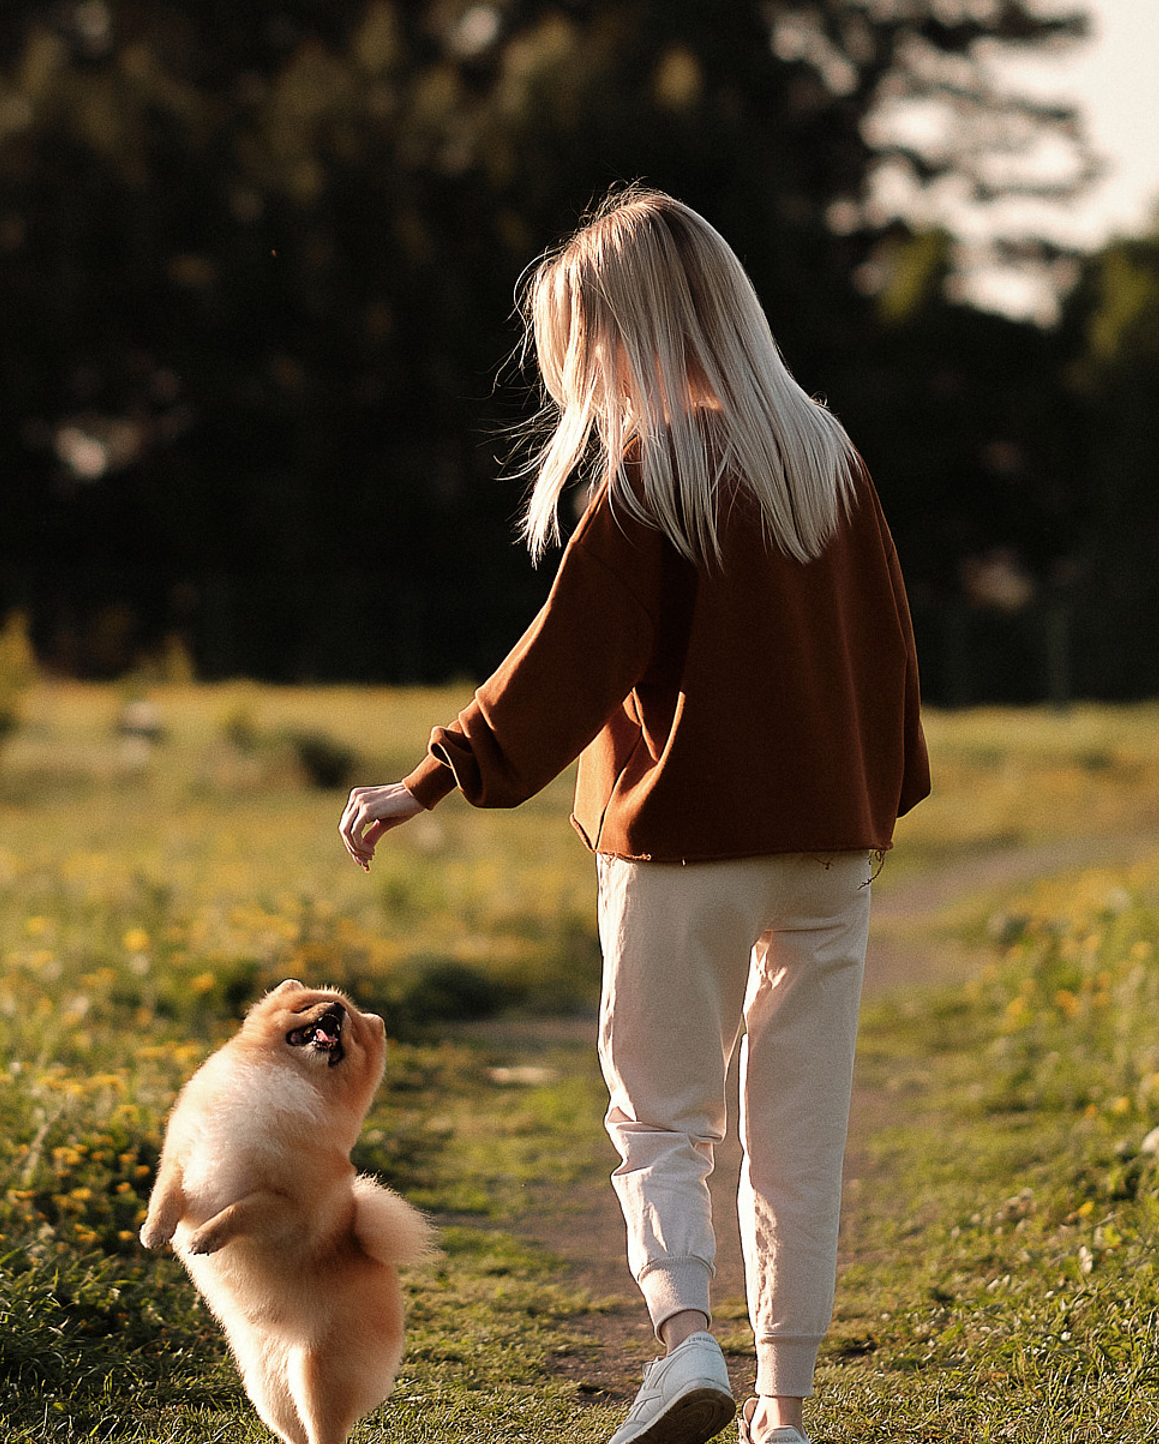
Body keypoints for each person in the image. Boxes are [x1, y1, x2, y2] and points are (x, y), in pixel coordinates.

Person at [339, 188, 927, 1444]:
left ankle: (684, 1347)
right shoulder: (829, 456)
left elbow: (567, 658)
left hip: (684, 848)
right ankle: (787, 1410)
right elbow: (884, 652)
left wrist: (430, 776)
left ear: (632, 332)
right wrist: (878, 796)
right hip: (831, 848)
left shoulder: (661, 470)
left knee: (662, 1118)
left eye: (587, 347)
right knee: (799, 1135)